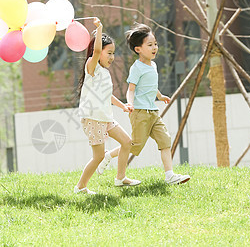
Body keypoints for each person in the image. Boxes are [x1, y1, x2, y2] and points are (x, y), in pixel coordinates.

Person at [117, 22, 191, 185]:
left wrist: (160, 95)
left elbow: (150, 86)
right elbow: (131, 89)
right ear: (138, 49)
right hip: (140, 112)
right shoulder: (137, 68)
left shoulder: (154, 65)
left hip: (153, 111)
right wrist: (129, 104)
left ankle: (170, 175)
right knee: (135, 146)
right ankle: (109, 155)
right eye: (150, 45)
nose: (154, 47)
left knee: (165, 139)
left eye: (155, 44)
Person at [75, 18, 141, 194]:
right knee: (98, 156)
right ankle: (80, 187)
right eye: (109, 53)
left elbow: (107, 96)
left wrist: (123, 106)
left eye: (113, 53)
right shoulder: (92, 66)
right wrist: (100, 28)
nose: (112, 57)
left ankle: (120, 178)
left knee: (127, 142)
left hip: (105, 117)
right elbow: (96, 50)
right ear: (99, 53)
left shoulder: (104, 72)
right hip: (92, 118)